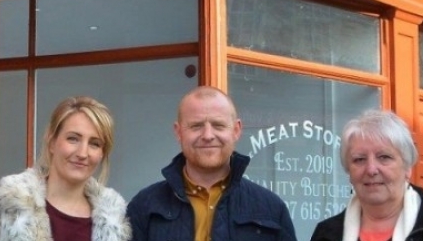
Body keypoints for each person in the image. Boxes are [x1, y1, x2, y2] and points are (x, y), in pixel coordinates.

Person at [127, 86, 298, 241]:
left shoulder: (270, 209)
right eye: (196, 126)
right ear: (178, 132)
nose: (208, 135)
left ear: (236, 130)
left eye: (218, 125)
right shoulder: (145, 206)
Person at [309, 110, 423, 241]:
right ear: (348, 171)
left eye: (384, 157)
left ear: (407, 167)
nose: (371, 169)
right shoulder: (326, 234)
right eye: (359, 159)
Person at [0, 96, 131, 241]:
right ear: (52, 141)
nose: (82, 153)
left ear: (102, 154)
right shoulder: (4, 207)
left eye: (95, 144)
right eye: (73, 139)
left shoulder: (117, 223)